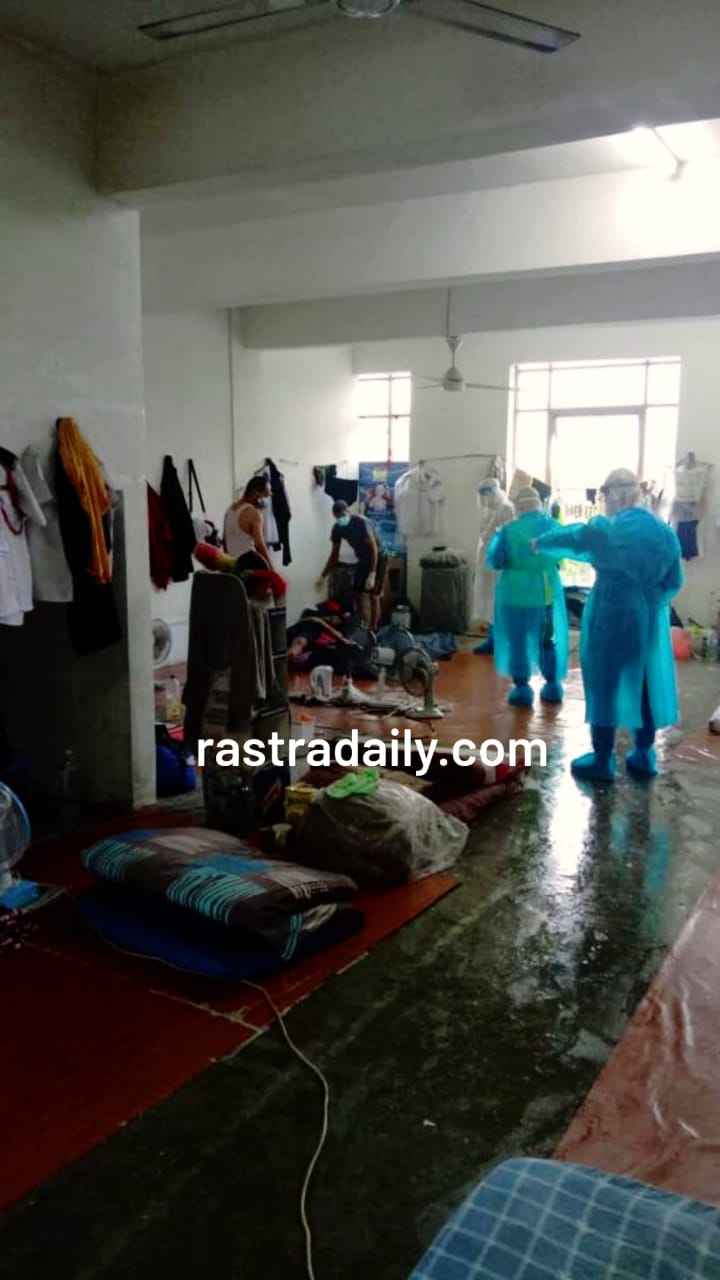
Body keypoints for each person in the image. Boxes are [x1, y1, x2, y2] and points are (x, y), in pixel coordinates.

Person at [533, 468, 683, 781]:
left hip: (610, 612)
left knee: (604, 683)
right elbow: (674, 582)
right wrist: (650, 598)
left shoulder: (606, 529)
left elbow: (572, 537)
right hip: (649, 616)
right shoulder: (664, 532)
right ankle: (644, 754)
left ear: (613, 494)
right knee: (645, 684)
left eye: (605, 494)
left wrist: (540, 542)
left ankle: (602, 759)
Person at [486, 486, 569, 706]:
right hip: (545, 593)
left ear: (518, 506)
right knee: (547, 641)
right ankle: (552, 685)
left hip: (514, 594)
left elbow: (495, 561)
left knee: (518, 643)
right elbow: (563, 557)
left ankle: (522, 689)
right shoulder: (554, 527)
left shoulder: (507, 531)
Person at [318, 500, 387, 629]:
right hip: (363, 559)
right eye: (337, 517)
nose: (341, 518)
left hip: (378, 556)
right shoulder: (337, 528)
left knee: (374, 595)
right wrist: (323, 576)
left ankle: (373, 630)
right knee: (356, 593)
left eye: (343, 515)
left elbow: (373, 548)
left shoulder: (361, 522)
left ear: (348, 511)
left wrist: (372, 573)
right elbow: (334, 555)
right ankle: (361, 625)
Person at [472, 477, 515, 655]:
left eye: (486, 494)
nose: (484, 499)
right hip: (487, 564)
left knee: (498, 603)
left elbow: (504, 537)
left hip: (499, 565)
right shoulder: (490, 510)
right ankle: (491, 639)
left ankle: (500, 641)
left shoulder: (506, 508)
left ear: (493, 492)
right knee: (489, 603)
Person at [222, 476, 274, 571]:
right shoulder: (254, 513)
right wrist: (272, 570)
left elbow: (225, 542)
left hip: (233, 566)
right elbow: (259, 546)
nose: (267, 500)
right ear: (255, 493)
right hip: (250, 565)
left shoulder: (229, 511)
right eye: (266, 496)